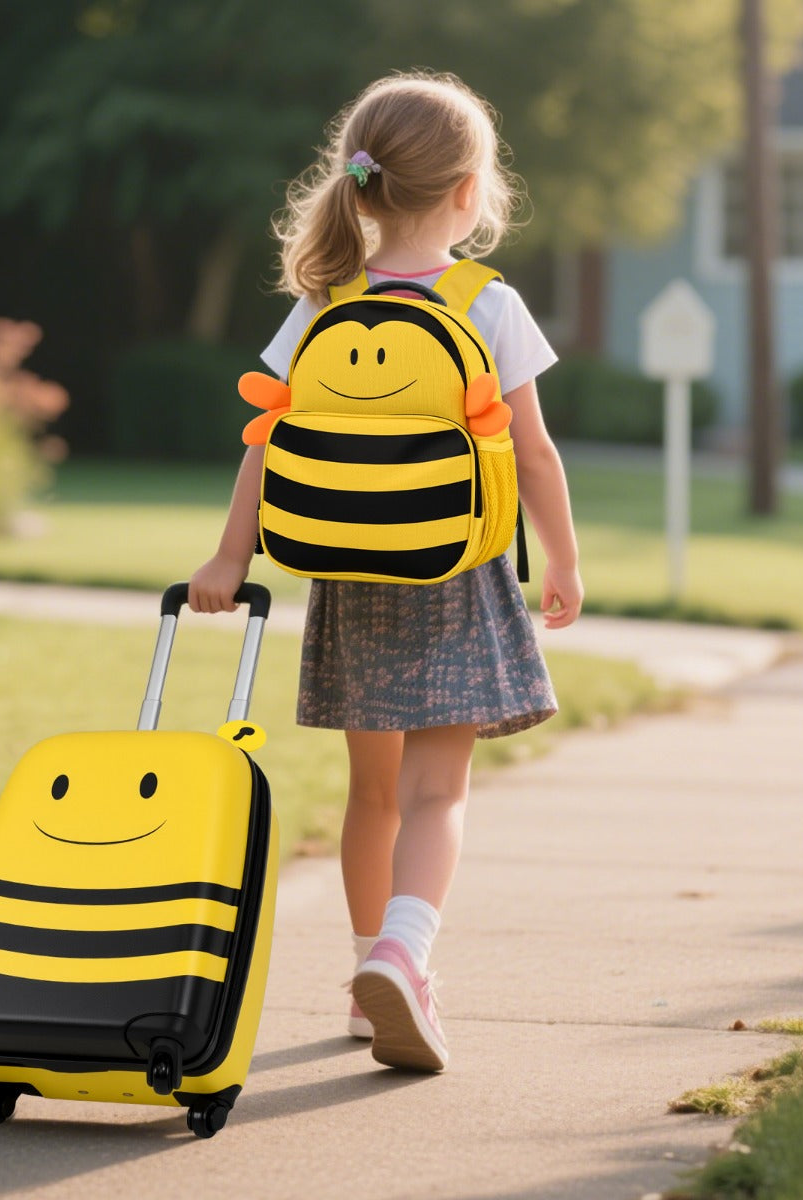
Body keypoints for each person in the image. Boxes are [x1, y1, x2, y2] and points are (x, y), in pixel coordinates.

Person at [188, 70, 583, 1073]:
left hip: (350, 581)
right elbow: (534, 452)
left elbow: (265, 440)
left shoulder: (328, 300)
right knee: (438, 793)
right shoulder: (487, 301)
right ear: (468, 193)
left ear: (361, 186)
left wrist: (232, 556)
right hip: (457, 575)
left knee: (372, 795)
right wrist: (565, 564)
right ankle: (408, 955)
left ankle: (372, 977)